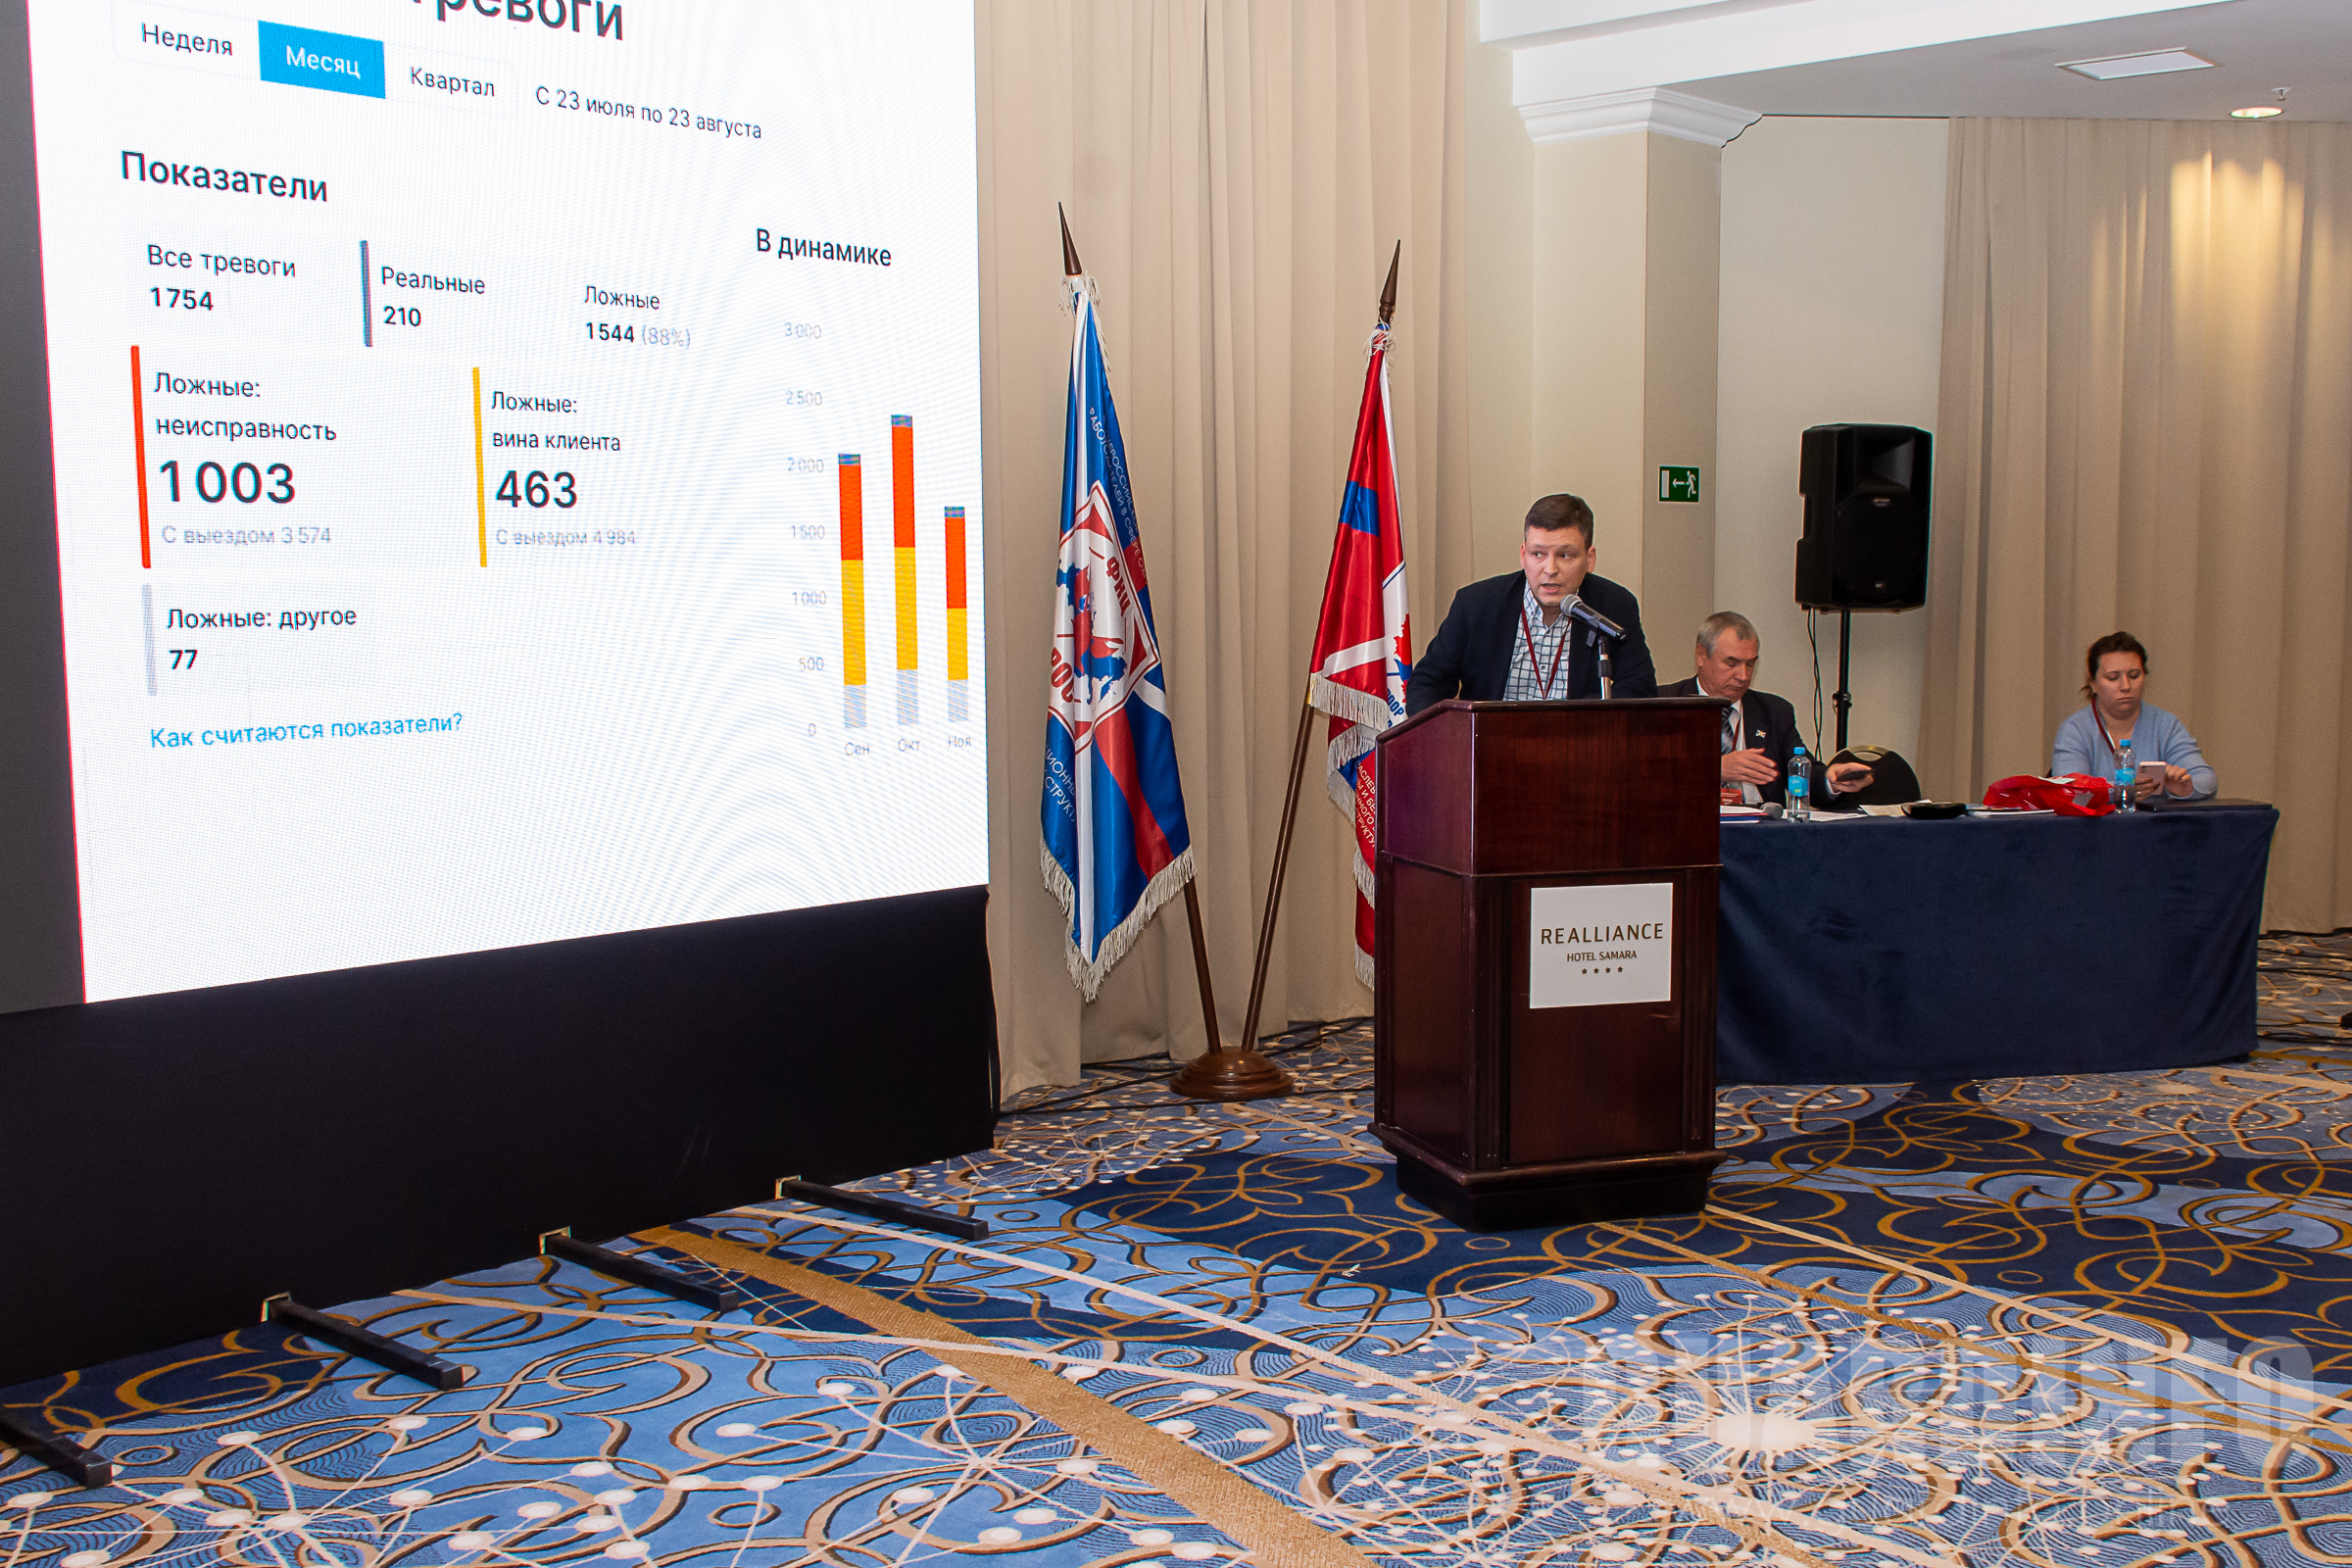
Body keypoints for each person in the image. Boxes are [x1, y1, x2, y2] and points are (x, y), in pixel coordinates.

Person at [1405, 493, 1655, 714]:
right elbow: (1427, 683)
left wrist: (1582, 717)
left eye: (1565, 555)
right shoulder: (1476, 604)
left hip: (1577, 743)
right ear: (1523, 555)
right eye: (1538, 554)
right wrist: (1455, 737)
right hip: (1491, 744)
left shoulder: (1614, 606)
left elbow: (1639, 688)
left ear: (1590, 559)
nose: (1550, 569)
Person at [1661, 612, 1874, 808]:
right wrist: (1713, 768)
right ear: (1701, 655)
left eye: (1750, 665)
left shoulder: (1774, 711)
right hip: (1687, 822)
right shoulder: (1662, 705)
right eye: (1732, 663)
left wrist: (1831, 780)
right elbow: (1647, 774)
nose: (1743, 676)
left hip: (1761, 827)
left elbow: (1799, 770)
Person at [2050, 631, 2216, 802]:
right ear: (2093, 684)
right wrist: (2121, 790)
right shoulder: (2075, 729)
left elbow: (2207, 780)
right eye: (2113, 678)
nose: (2126, 686)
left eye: (2134, 675)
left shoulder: (2165, 724)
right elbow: (2069, 791)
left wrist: (2187, 788)